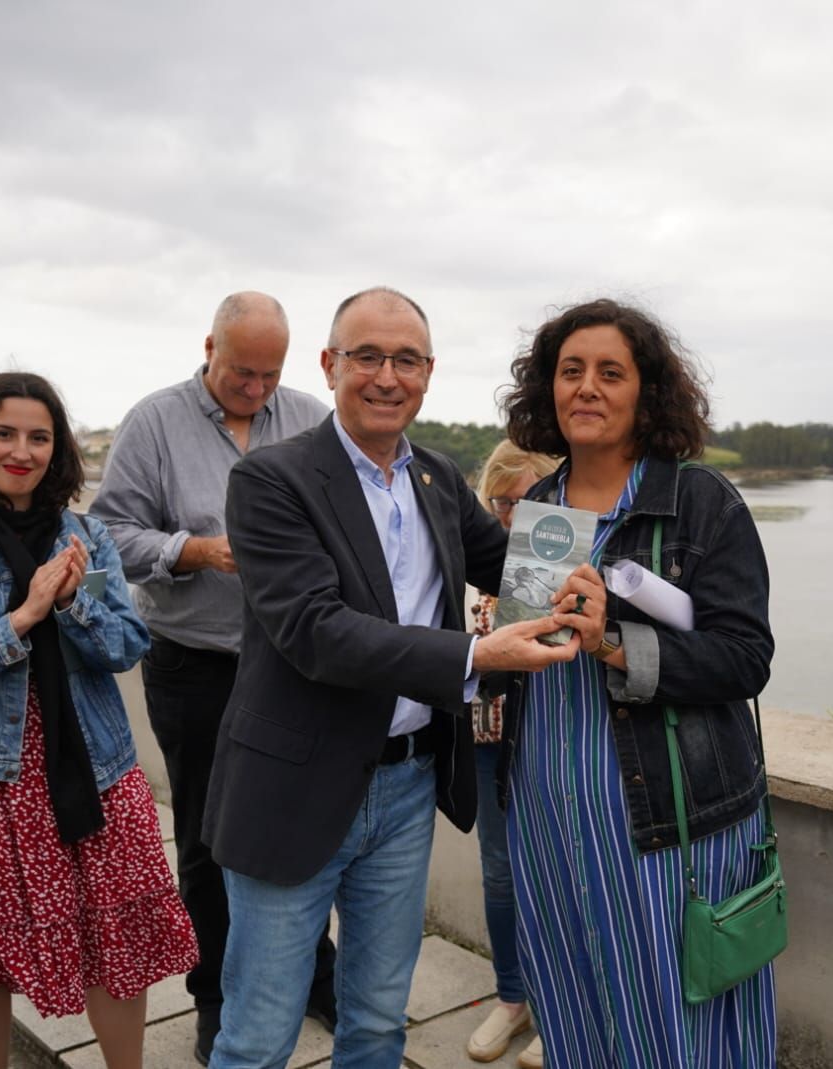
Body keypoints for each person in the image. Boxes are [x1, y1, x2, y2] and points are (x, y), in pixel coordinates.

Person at [201, 286, 580, 1069]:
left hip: (406, 792)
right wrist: (475, 658)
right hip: (293, 788)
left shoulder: (436, 478)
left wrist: (587, 462)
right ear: (329, 365)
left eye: (406, 359)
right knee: (258, 1035)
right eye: (366, 356)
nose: (386, 375)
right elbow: (317, 632)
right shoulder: (273, 481)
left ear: (430, 372)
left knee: (376, 1023)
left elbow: (520, 571)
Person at [497, 299, 778, 1067]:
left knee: (678, 1027)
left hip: (661, 823)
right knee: (573, 1010)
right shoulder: (538, 508)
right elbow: (525, 654)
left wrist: (617, 645)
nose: (586, 388)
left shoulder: (699, 503)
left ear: (646, 392)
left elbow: (747, 656)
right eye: (570, 371)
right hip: (548, 816)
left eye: (610, 373)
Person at [0, 372, 198, 1069]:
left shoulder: (85, 537)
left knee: (113, 941)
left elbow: (124, 645)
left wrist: (71, 603)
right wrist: (22, 617)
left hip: (92, 773)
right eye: (4, 433)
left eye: (39, 435)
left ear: (57, 448)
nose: (21, 449)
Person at [88, 291, 337, 1064]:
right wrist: (199, 551)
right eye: (241, 372)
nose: (256, 388)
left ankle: (316, 976)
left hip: (294, 666)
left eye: (270, 374)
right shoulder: (153, 420)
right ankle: (216, 997)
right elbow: (109, 534)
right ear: (209, 348)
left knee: (311, 830)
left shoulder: (309, 417)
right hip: (194, 665)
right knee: (204, 837)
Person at [463, 441, 559, 1068]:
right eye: (499, 503)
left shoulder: (561, 553)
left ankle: (561, 1010)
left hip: (547, 740)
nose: (507, 518)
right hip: (483, 738)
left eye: (521, 504)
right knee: (500, 875)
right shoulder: (468, 550)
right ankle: (513, 995)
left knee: (557, 876)